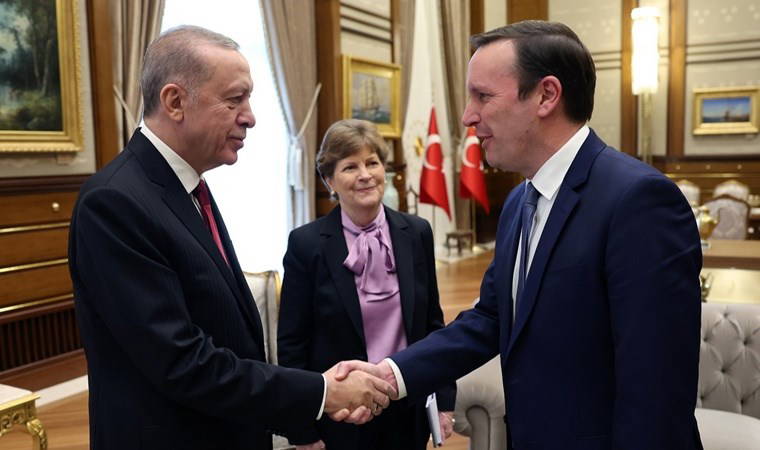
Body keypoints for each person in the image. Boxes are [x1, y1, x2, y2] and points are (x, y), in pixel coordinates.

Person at [340, 21, 703, 450]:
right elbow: (492, 318)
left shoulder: (638, 200)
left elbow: (656, 391)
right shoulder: (519, 201)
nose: (468, 116)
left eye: (483, 96)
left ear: (546, 95)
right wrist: (391, 374)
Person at [68, 26, 393, 450]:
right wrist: (320, 393)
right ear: (175, 101)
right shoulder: (114, 203)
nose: (250, 116)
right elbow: (181, 361)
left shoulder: (188, 186)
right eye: (234, 99)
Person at [277, 119, 456, 450]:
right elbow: (292, 344)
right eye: (350, 167)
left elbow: (433, 325)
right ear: (329, 180)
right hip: (341, 415)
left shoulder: (417, 233)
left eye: (372, 163)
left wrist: (443, 401)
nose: (365, 175)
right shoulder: (306, 244)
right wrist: (302, 429)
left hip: (408, 407)